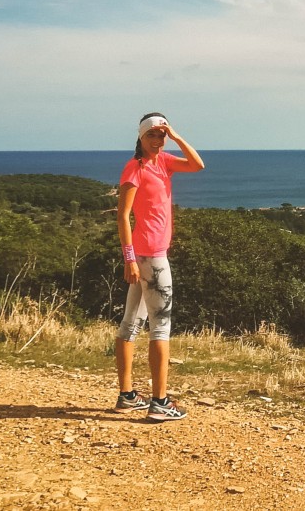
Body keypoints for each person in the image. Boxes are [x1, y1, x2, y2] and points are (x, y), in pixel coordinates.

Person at [113, 112, 204, 421]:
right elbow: (123, 215)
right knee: (160, 328)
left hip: (147, 256)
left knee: (130, 325)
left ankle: (127, 396)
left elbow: (197, 165)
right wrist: (128, 259)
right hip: (149, 256)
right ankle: (160, 402)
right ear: (141, 137)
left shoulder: (164, 162)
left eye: (161, 135)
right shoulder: (134, 169)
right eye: (153, 134)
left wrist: (176, 135)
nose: (158, 140)